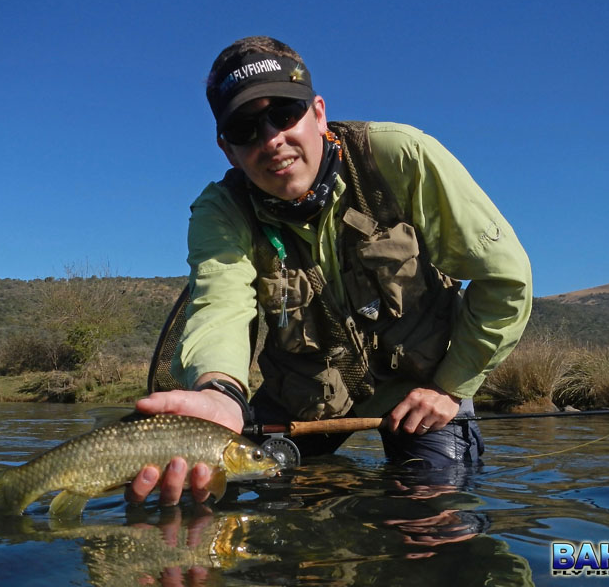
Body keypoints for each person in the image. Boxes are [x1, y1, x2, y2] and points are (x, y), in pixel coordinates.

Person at [128, 36, 532, 506]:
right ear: (226, 148)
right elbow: (221, 306)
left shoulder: (399, 156)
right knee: (226, 511)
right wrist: (221, 394)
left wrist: (450, 386)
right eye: (245, 128)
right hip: (303, 400)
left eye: (284, 114)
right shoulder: (222, 212)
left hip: (425, 388)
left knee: (436, 521)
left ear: (317, 113)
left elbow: (504, 278)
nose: (271, 139)